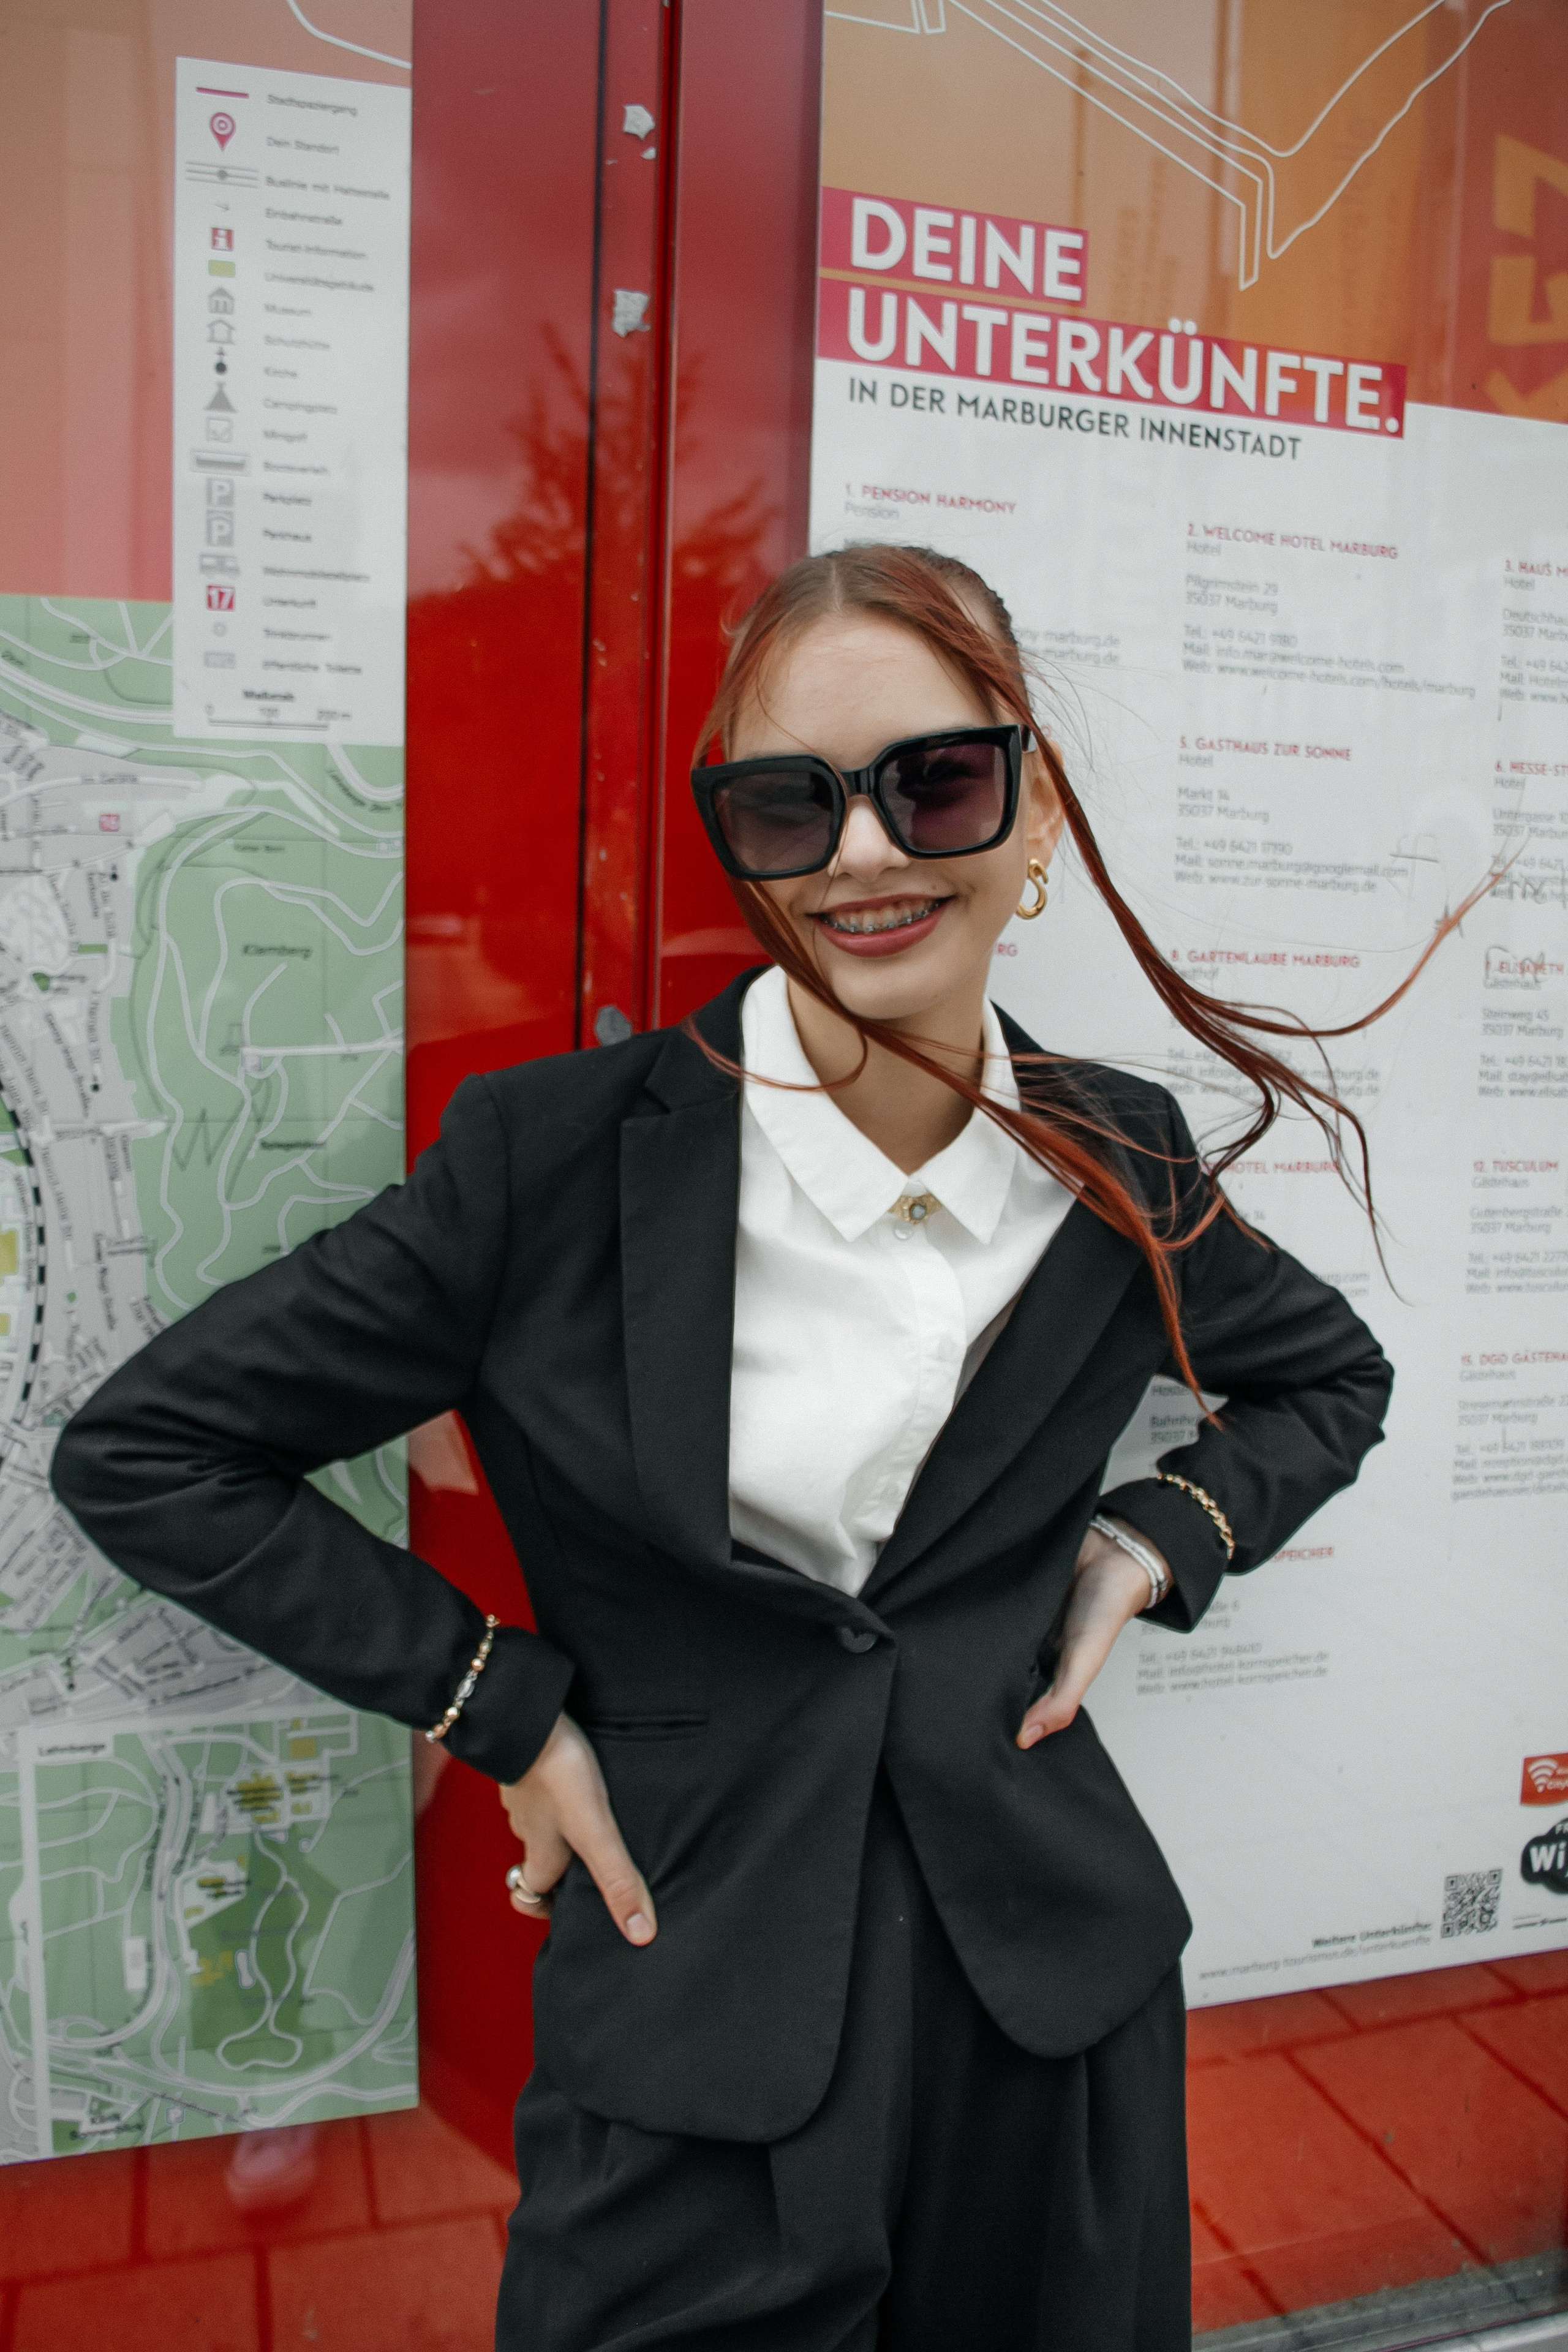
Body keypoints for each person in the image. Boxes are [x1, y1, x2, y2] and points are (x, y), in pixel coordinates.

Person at [53, 544, 1404, 2351]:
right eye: (788, 804)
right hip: (692, 2011)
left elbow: (1329, 1377)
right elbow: (156, 1449)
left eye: (933, 782)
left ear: (1034, 819)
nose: (860, 854)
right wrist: (495, 1706)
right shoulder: (553, 1159)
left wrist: (1157, 1539)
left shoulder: (1113, 1155)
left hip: (1049, 2012)